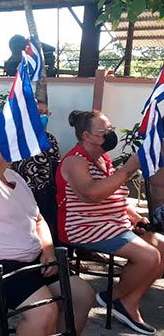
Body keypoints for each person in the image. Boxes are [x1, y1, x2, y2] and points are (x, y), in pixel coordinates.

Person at [0, 114, 94, 336]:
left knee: (81, 295)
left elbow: (38, 219)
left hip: (28, 262)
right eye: (6, 141)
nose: (14, 146)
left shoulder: (16, 177)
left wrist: (48, 251)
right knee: (44, 311)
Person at [57, 110, 164, 335]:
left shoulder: (103, 158)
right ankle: (111, 297)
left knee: (161, 245)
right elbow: (91, 194)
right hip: (85, 227)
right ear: (86, 136)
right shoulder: (75, 161)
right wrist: (128, 168)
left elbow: (114, 194)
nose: (110, 135)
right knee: (149, 256)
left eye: (111, 129)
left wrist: (134, 215)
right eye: (105, 132)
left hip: (113, 224)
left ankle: (128, 302)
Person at [11, 101, 61, 241]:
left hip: (44, 191)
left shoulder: (49, 138)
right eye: (40, 113)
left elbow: (55, 162)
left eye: (46, 113)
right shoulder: (17, 137)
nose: (44, 116)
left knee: (45, 225)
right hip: (21, 190)